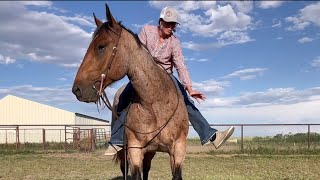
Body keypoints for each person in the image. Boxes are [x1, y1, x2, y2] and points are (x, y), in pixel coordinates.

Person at [104, 6, 234, 155]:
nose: (170, 27)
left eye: (173, 24)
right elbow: (138, 52)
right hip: (144, 74)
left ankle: (211, 135)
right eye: (167, 23)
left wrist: (189, 87)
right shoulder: (147, 31)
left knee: (186, 102)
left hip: (166, 76)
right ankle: (116, 140)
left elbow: (180, 65)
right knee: (124, 97)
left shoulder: (174, 42)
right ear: (160, 22)